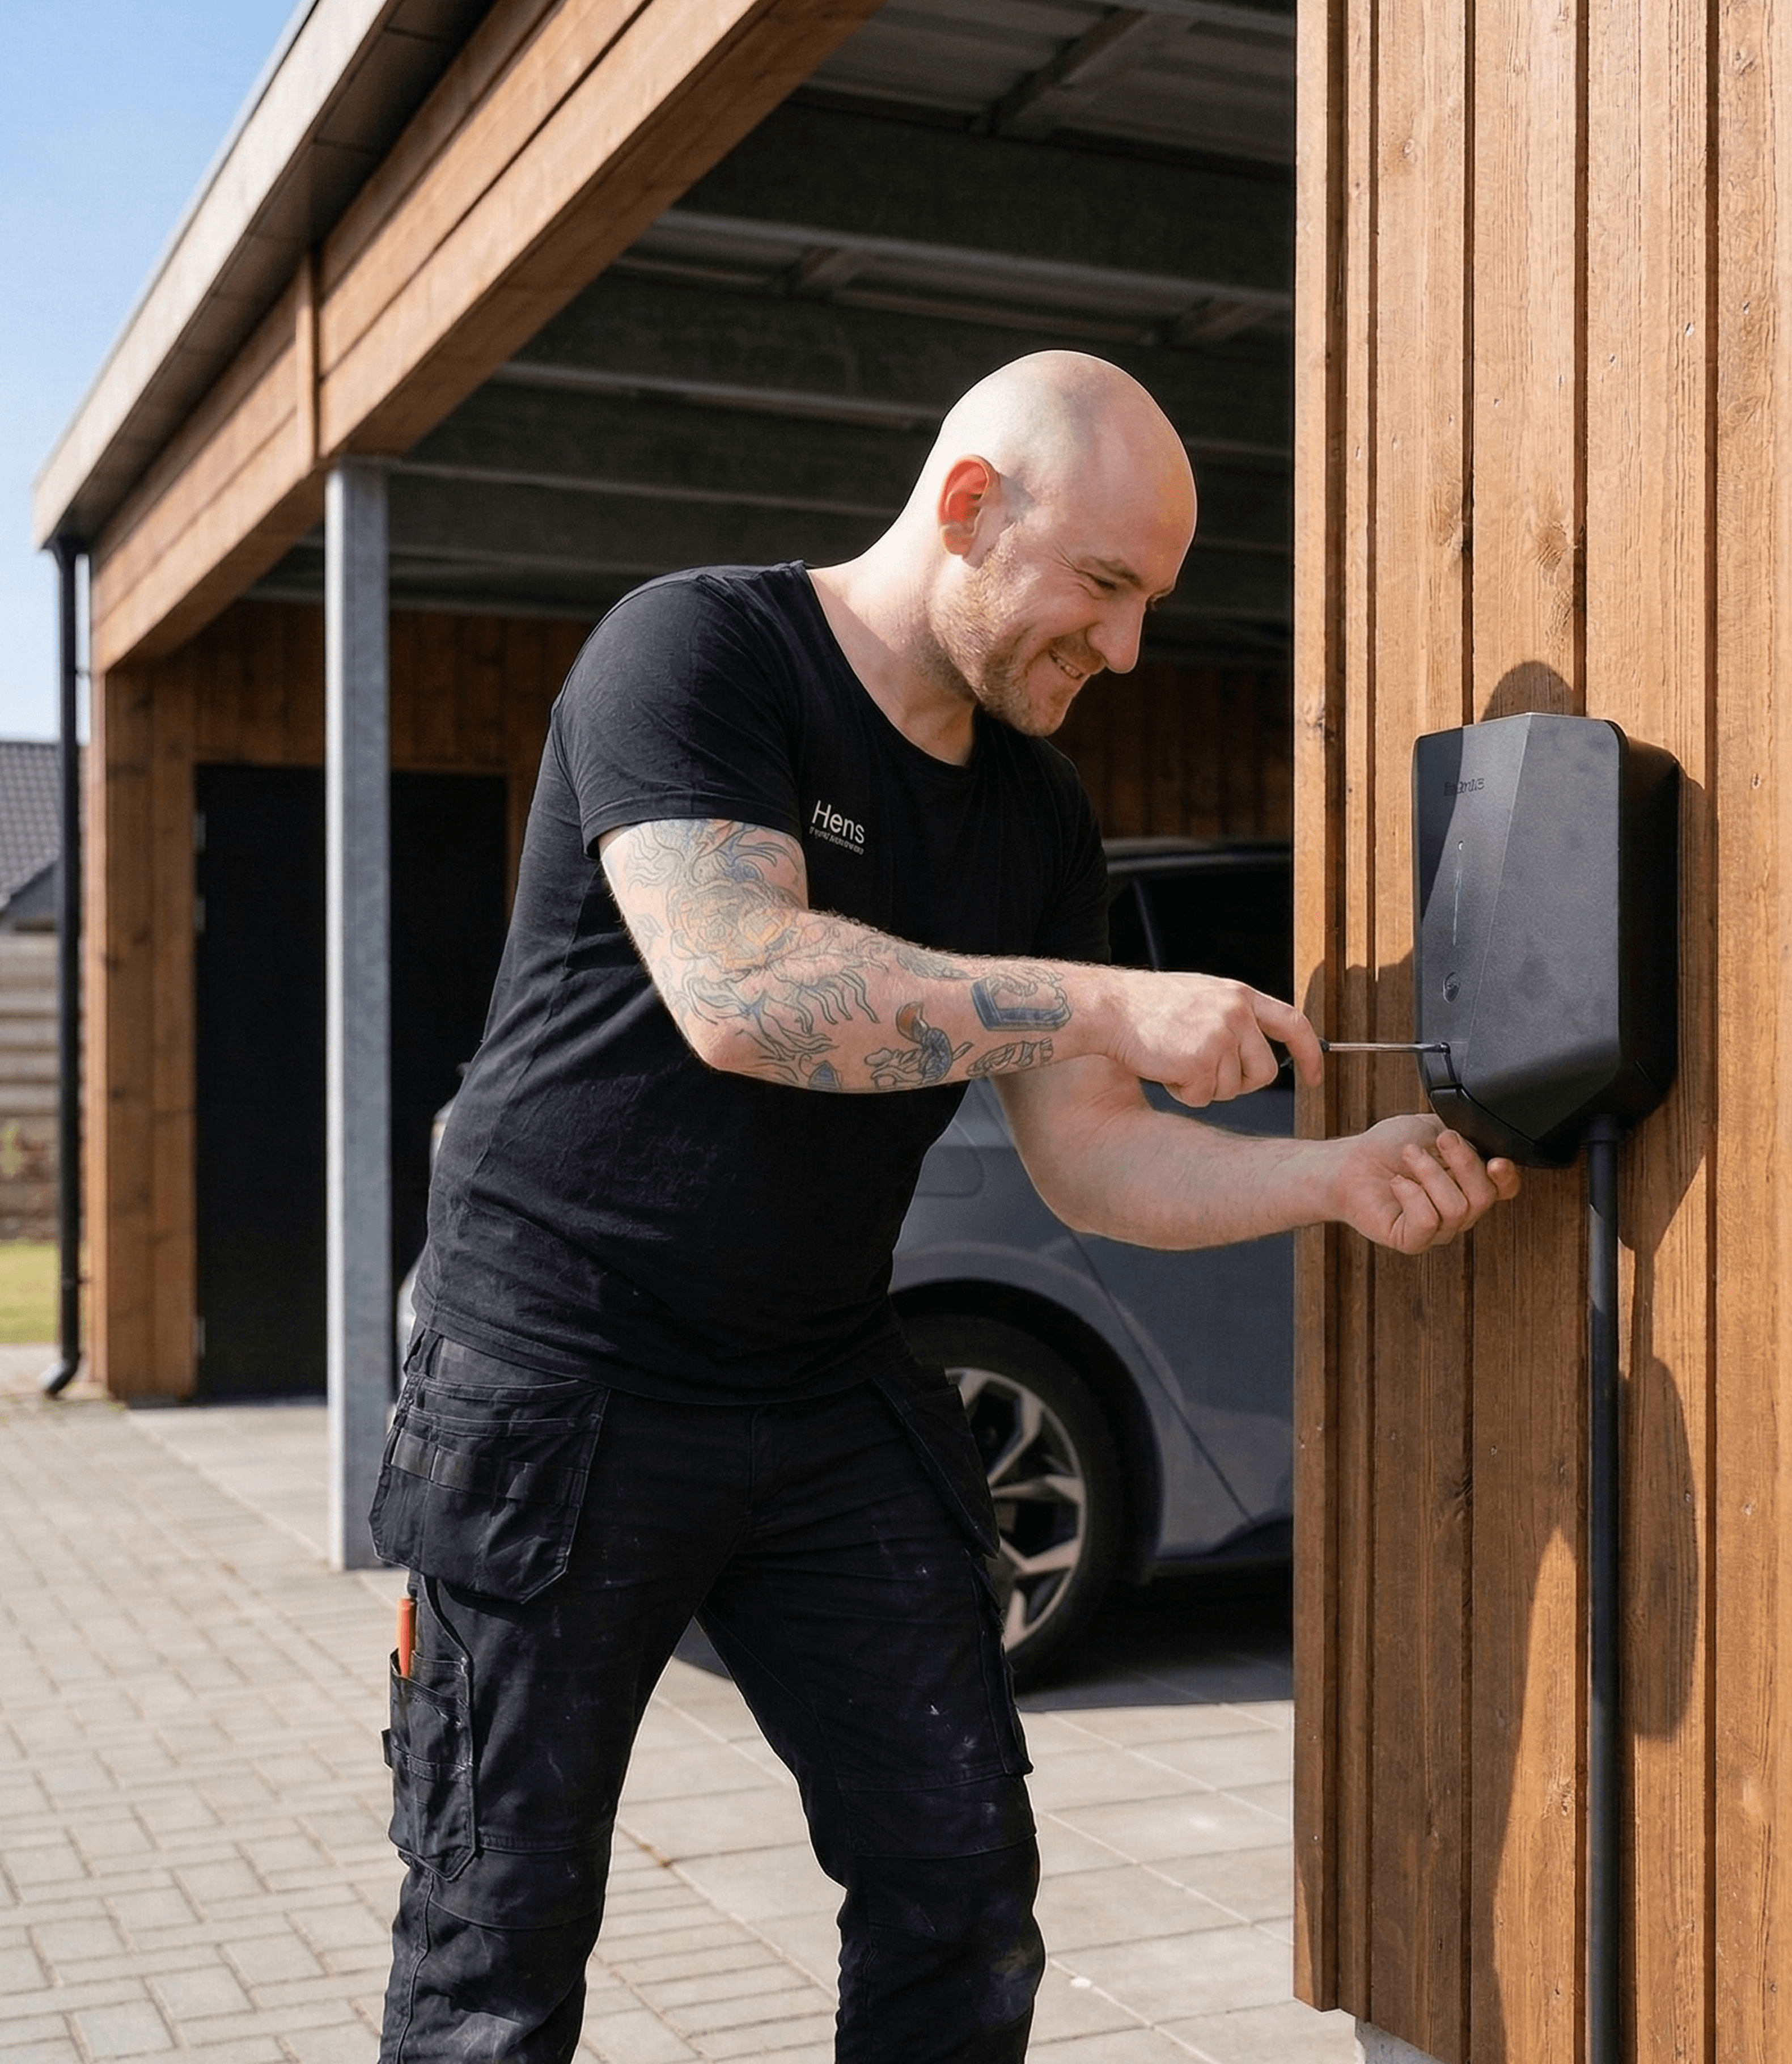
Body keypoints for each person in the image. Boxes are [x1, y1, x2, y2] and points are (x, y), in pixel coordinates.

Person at [371, 349, 1520, 2063]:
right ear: (971, 508)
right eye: (1106, 587)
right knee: (499, 1934)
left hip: (821, 1381)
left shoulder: (1035, 813)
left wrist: (1332, 1179)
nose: (1126, 649)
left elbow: (1089, 1162)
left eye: (1151, 605)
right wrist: (1106, 1002)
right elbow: (742, 988)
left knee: (958, 1886)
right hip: (557, 1377)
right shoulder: (698, 654)